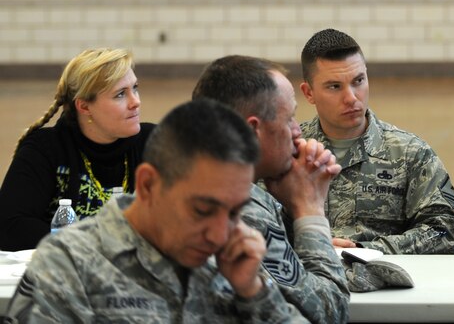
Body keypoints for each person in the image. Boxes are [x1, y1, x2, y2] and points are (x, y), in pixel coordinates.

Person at [4, 98, 307, 322]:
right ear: (147, 186)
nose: (218, 234)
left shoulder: (233, 260)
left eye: (234, 212)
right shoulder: (69, 265)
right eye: (202, 210)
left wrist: (255, 293)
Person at [192, 55, 349, 323]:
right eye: (289, 119)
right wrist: (308, 209)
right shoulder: (239, 209)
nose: (298, 131)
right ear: (254, 130)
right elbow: (327, 310)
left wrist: (288, 205)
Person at [299, 28, 454, 254]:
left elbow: (449, 229)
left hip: (382, 281)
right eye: (334, 86)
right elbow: (253, 223)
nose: (351, 98)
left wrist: (367, 250)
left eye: (358, 81)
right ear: (309, 93)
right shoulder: (288, 153)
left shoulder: (409, 153)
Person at [0, 48, 155, 251]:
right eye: (120, 94)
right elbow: (9, 227)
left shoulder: (155, 143)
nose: (136, 102)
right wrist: (96, 242)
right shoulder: (44, 149)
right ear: (84, 107)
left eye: (135, 88)